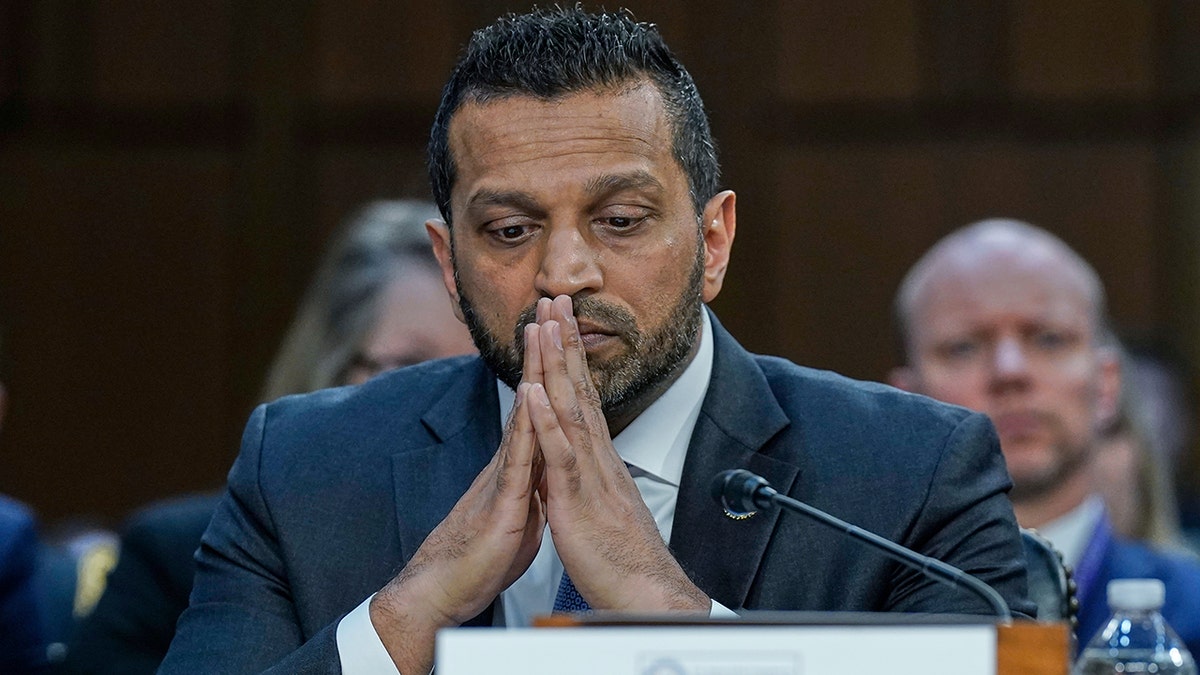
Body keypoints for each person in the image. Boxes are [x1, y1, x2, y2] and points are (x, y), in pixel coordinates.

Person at [161, 9, 1033, 674]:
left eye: (620, 220)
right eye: (508, 230)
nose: (564, 272)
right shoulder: (304, 469)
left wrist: (662, 609)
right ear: (449, 263)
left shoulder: (911, 476)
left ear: (713, 241)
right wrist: (413, 610)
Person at [62, 200, 475, 673]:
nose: (447, 400)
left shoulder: (540, 557)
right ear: (328, 369)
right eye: (413, 369)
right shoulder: (177, 559)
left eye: (476, 375)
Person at [890, 218, 1200, 653]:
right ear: (907, 402)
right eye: (964, 347)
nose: (1010, 371)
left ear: (1107, 385)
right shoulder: (852, 618)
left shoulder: (1194, 612)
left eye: (1049, 339)